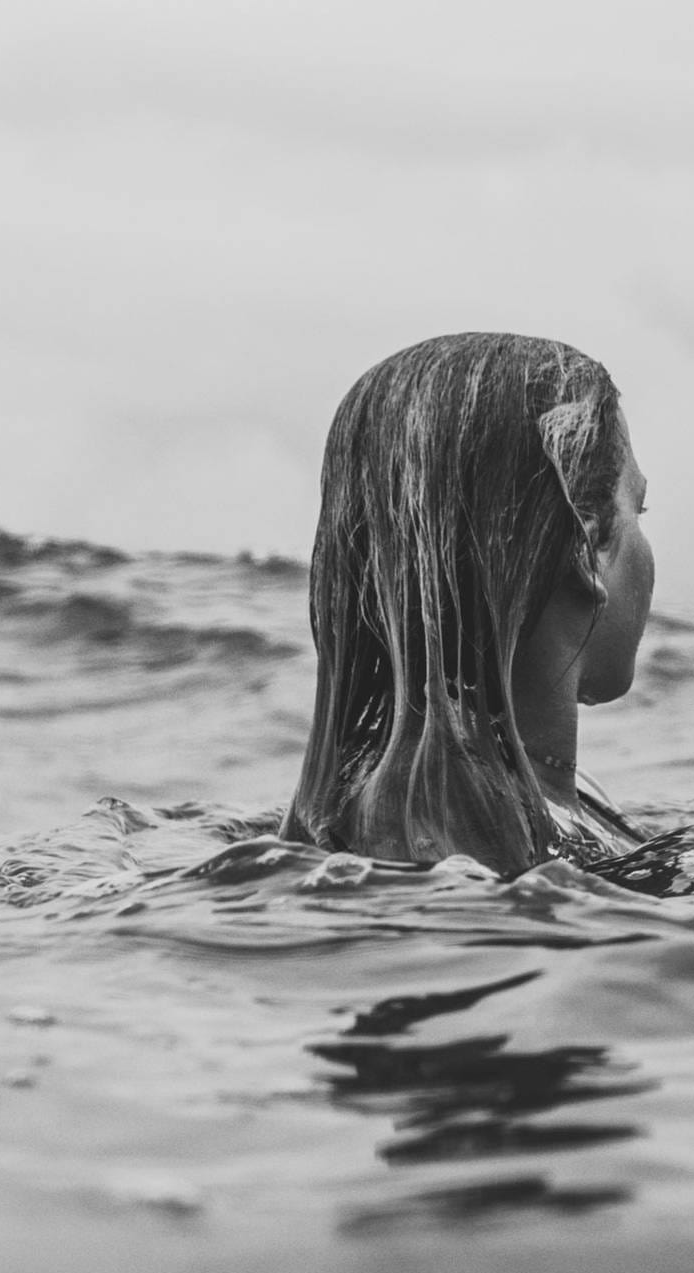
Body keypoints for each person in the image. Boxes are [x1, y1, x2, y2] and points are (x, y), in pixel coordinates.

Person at [280, 332, 653, 877]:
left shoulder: (369, 806)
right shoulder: (467, 837)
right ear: (587, 550)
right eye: (640, 510)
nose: (644, 538)